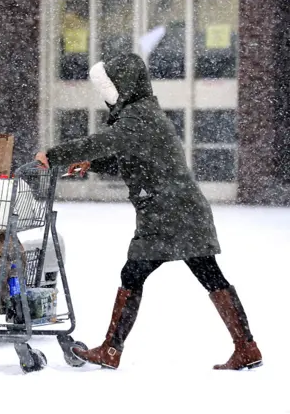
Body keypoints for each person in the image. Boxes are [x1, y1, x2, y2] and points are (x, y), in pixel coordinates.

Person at [35, 53, 262, 370]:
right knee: (206, 275)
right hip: (176, 211)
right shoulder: (142, 116)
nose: (106, 96)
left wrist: (54, 154)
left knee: (136, 274)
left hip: (170, 214)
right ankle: (246, 347)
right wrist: (92, 164)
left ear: (122, 87)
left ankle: (111, 350)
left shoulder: (139, 119)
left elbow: (103, 142)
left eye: (109, 87)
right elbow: (130, 163)